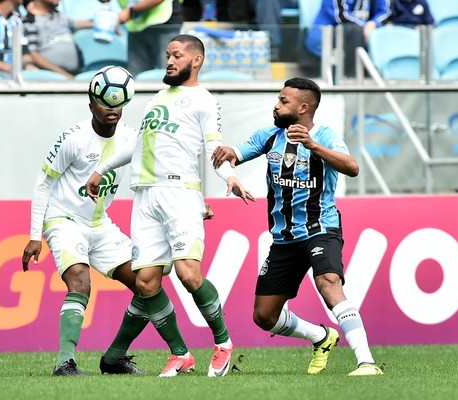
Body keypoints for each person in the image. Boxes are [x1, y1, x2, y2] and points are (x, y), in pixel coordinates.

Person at [86, 34, 255, 378]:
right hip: (145, 196)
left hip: (179, 194)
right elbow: (137, 143)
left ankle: (222, 342)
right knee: (146, 283)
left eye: (176, 55)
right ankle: (181, 354)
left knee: (188, 274)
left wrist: (229, 176)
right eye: (167, 55)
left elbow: (215, 146)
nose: (169, 61)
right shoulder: (158, 97)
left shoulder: (204, 100)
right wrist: (100, 169)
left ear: (196, 60)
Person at [211, 77, 384, 377]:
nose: (276, 106)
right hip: (284, 239)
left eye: (283, 101)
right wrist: (228, 165)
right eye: (278, 100)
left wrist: (313, 146)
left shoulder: (325, 136)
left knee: (329, 283)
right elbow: (233, 155)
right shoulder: (269, 136)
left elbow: (352, 167)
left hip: (321, 229)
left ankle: (366, 362)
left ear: (303, 108)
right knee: (264, 316)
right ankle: (321, 336)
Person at [21, 88, 148, 377]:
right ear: (91, 104)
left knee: (147, 283)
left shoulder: (130, 138)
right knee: (80, 283)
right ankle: (64, 362)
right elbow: (43, 184)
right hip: (63, 219)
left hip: (100, 224)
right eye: (104, 103)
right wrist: (33, 235)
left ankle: (114, 359)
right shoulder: (73, 138)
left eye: (117, 103)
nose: (111, 108)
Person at [303, 0, 391, 77]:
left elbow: (385, 11)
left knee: (387, 30)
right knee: (355, 31)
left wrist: (374, 23)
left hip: (361, 35)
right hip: (325, 37)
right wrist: (366, 28)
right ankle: (350, 79)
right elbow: (341, 16)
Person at [22, 0, 92, 79]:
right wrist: (65, 75)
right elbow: (33, 55)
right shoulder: (29, 22)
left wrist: (99, 23)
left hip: (75, 72)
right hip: (52, 76)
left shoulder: (59, 15)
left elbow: (75, 23)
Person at [116, 0, 183, 76]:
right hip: (136, 26)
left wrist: (131, 11)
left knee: (168, 74)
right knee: (137, 78)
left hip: (164, 25)